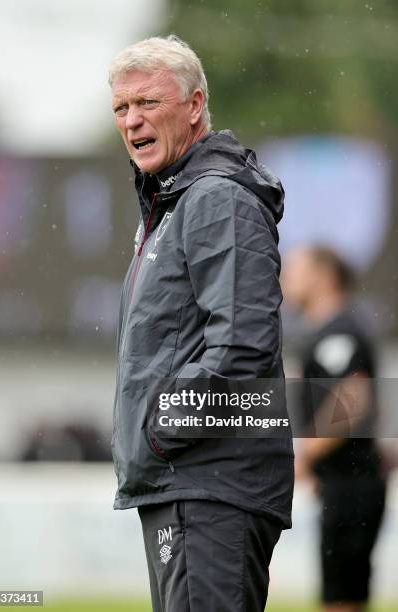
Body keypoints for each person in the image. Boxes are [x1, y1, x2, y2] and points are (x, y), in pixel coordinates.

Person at [108, 35, 294, 612]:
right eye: (121, 108)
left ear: (194, 106)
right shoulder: (174, 202)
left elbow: (242, 346)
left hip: (207, 483)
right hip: (184, 483)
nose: (132, 120)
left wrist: (162, 428)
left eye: (149, 103)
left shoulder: (215, 198)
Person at [281, 246, 387, 612]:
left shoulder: (338, 334)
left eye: (293, 270)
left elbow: (355, 402)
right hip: (345, 487)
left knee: (340, 601)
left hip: (352, 489)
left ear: (323, 275)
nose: (284, 279)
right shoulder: (327, 334)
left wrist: (303, 456)